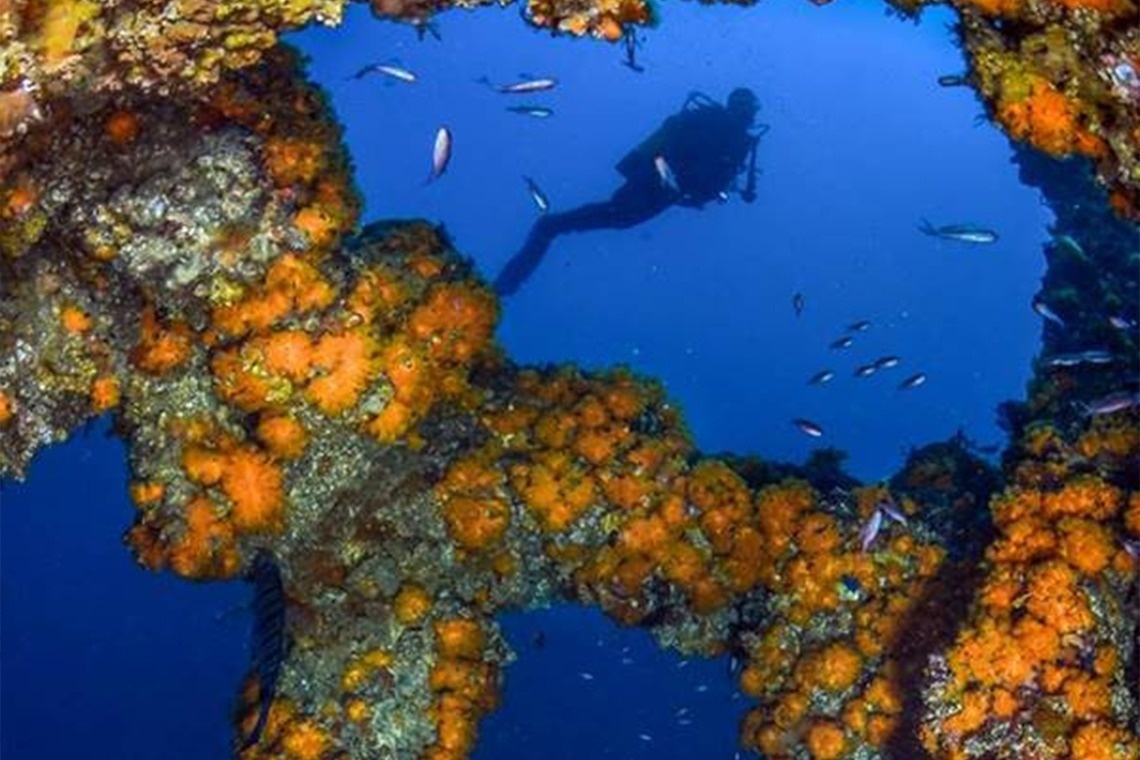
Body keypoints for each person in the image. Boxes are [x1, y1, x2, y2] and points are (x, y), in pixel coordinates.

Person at [493, 87, 768, 296]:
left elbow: (720, 180)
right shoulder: (717, 123)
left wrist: (698, 193)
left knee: (617, 217)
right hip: (657, 179)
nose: (749, 114)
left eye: (750, 109)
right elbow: (675, 140)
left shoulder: (741, 141)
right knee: (615, 215)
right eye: (747, 109)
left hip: (669, 190)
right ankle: (528, 255)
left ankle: (526, 258)